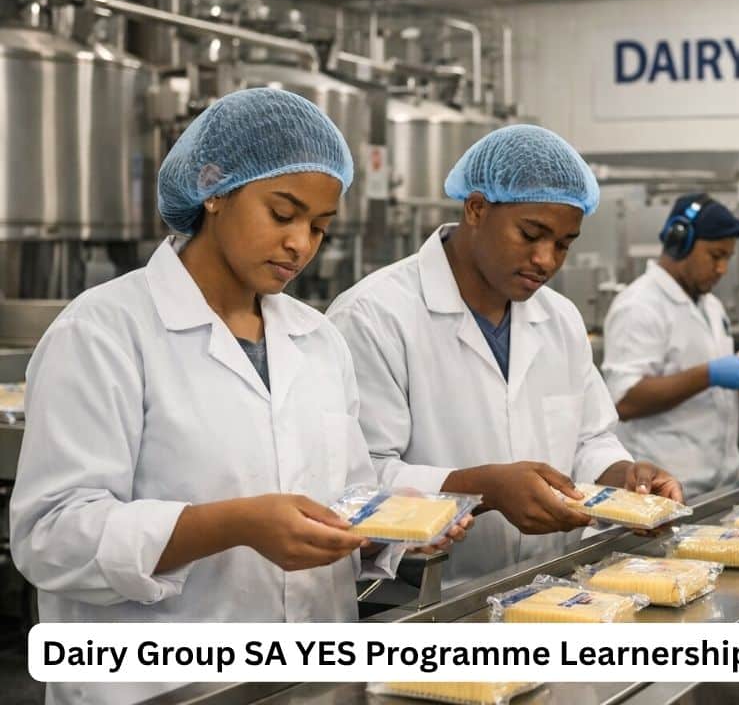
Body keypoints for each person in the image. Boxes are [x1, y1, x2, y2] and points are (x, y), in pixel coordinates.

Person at [8, 88, 469, 705]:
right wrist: (231, 525)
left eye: (319, 228)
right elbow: (51, 535)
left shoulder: (317, 340)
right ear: (215, 189)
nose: (300, 244)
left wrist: (394, 528)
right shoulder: (103, 332)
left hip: (312, 679)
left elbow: (345, 495)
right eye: (283, 214)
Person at [327, 124, 682, 585]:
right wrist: (484, 489)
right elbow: (358, 482)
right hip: (431, 599)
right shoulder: (375, 316)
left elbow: (590, 440)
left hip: (550, 588)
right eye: (531, 234)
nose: (546, 260)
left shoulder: (560, 318)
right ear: (476, 208)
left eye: (563, 244)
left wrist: (624, 479)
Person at [601, 194, 739, 498]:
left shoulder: (711, 306)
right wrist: (709, 374)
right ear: (681, 242)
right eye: (715, 255)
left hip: (722, 484)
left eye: (728, 258)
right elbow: (624, 401)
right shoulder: (639, 306)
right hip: (665, 489)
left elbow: (712, 394)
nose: (722, 269)